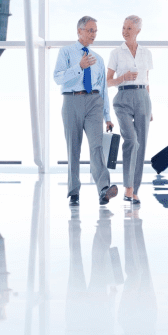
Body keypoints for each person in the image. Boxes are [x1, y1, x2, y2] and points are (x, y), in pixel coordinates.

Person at [54, 16, 117, 206]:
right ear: (79, 31)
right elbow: (58, 78)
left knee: (97, 147)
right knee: (73, 148)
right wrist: (79, 68)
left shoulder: (98, 59)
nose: (94, 34)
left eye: (95, 31)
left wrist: (107, 116)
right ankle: (74, 192)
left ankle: (103, 189)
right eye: (90, 30)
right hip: (72, 100)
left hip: (94, 102)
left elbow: (103, 89)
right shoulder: (65, 52)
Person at [107, 15, 153, 206]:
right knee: (131, 141)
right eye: (124, 27)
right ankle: (127, 187)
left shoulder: (146, 53)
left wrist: (150, 106)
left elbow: (147, 80)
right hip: (123, 98)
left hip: (143, 98)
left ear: (138, 31)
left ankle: (134, 190)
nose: (125, 31)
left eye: (129, 29)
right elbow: (108, 82)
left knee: (141, 145)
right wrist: (123, 77)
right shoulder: (116, 53)